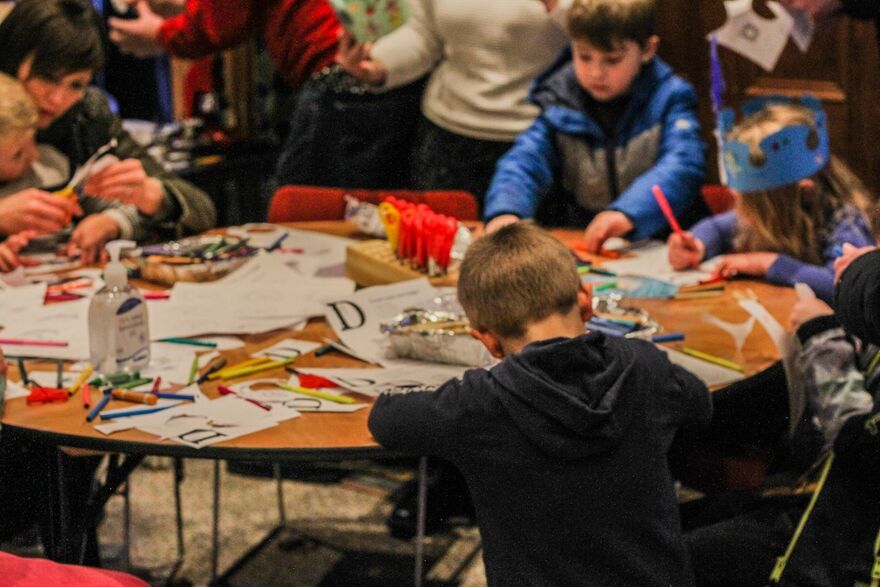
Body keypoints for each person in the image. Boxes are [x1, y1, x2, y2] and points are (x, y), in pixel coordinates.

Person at [368, 222, 711, 586]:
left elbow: (385, 419)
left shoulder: (477, 404)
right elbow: (700, 406)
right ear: (586, 299)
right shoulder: (646, 366)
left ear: (488, 341)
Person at [683, 245, 880, 587]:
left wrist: (821, 333)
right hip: (823, 499)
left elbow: (855, 441)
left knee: (674, 554)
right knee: (692, 519)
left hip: (844, 543)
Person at [107, 0, 426, 192]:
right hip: (399, 71)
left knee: (306, 216)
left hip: (341, 71)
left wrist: (164, 35)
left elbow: (226, 18)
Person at [0, 0, 216, 264]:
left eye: (76, 84)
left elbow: (201, 208)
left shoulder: (86, 114)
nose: (58, 99)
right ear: (10, 57)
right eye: (47, 76)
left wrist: (147, 200)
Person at [482, 0, 706, 252]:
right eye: (584, 56)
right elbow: (524, 162)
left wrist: (627, 214)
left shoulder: (671, 97)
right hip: (588, 242)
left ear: (647, 50)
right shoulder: (559, 98)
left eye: (612, 60)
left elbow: (683, 164)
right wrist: (506, 212)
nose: (596, 73)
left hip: (665, 244)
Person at [336, 0, 572, 207]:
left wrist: (556, 6)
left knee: (532, 254)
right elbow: (423, 34)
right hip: (448, 136)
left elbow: (600, 34)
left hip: (539, 137)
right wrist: (377, 67)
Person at [668, 98, 877, 303]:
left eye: (749, 204)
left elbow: (847, 285)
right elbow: (719, 228)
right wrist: (697, 244)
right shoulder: (769, 216)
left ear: (803, 194)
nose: (740, 211)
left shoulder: (847, 223)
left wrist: (767, 263)